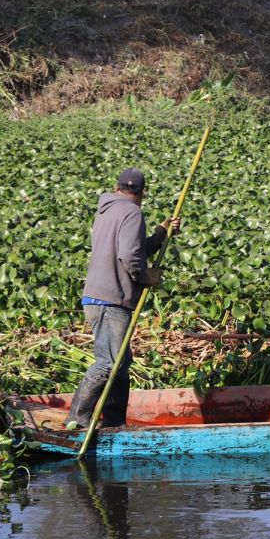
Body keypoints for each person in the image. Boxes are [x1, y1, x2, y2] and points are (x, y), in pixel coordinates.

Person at [65, 168, 180, 429]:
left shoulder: (107, 210)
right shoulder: (132, 212)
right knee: (109, 362)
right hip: (112, 298)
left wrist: (162, 233)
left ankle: (114, 422)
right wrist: (143, 276)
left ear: (117, 188)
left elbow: (133, 249)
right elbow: (130, 257)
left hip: (96, 297)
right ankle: (77, 417)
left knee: (120, 362)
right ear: (142, 193)